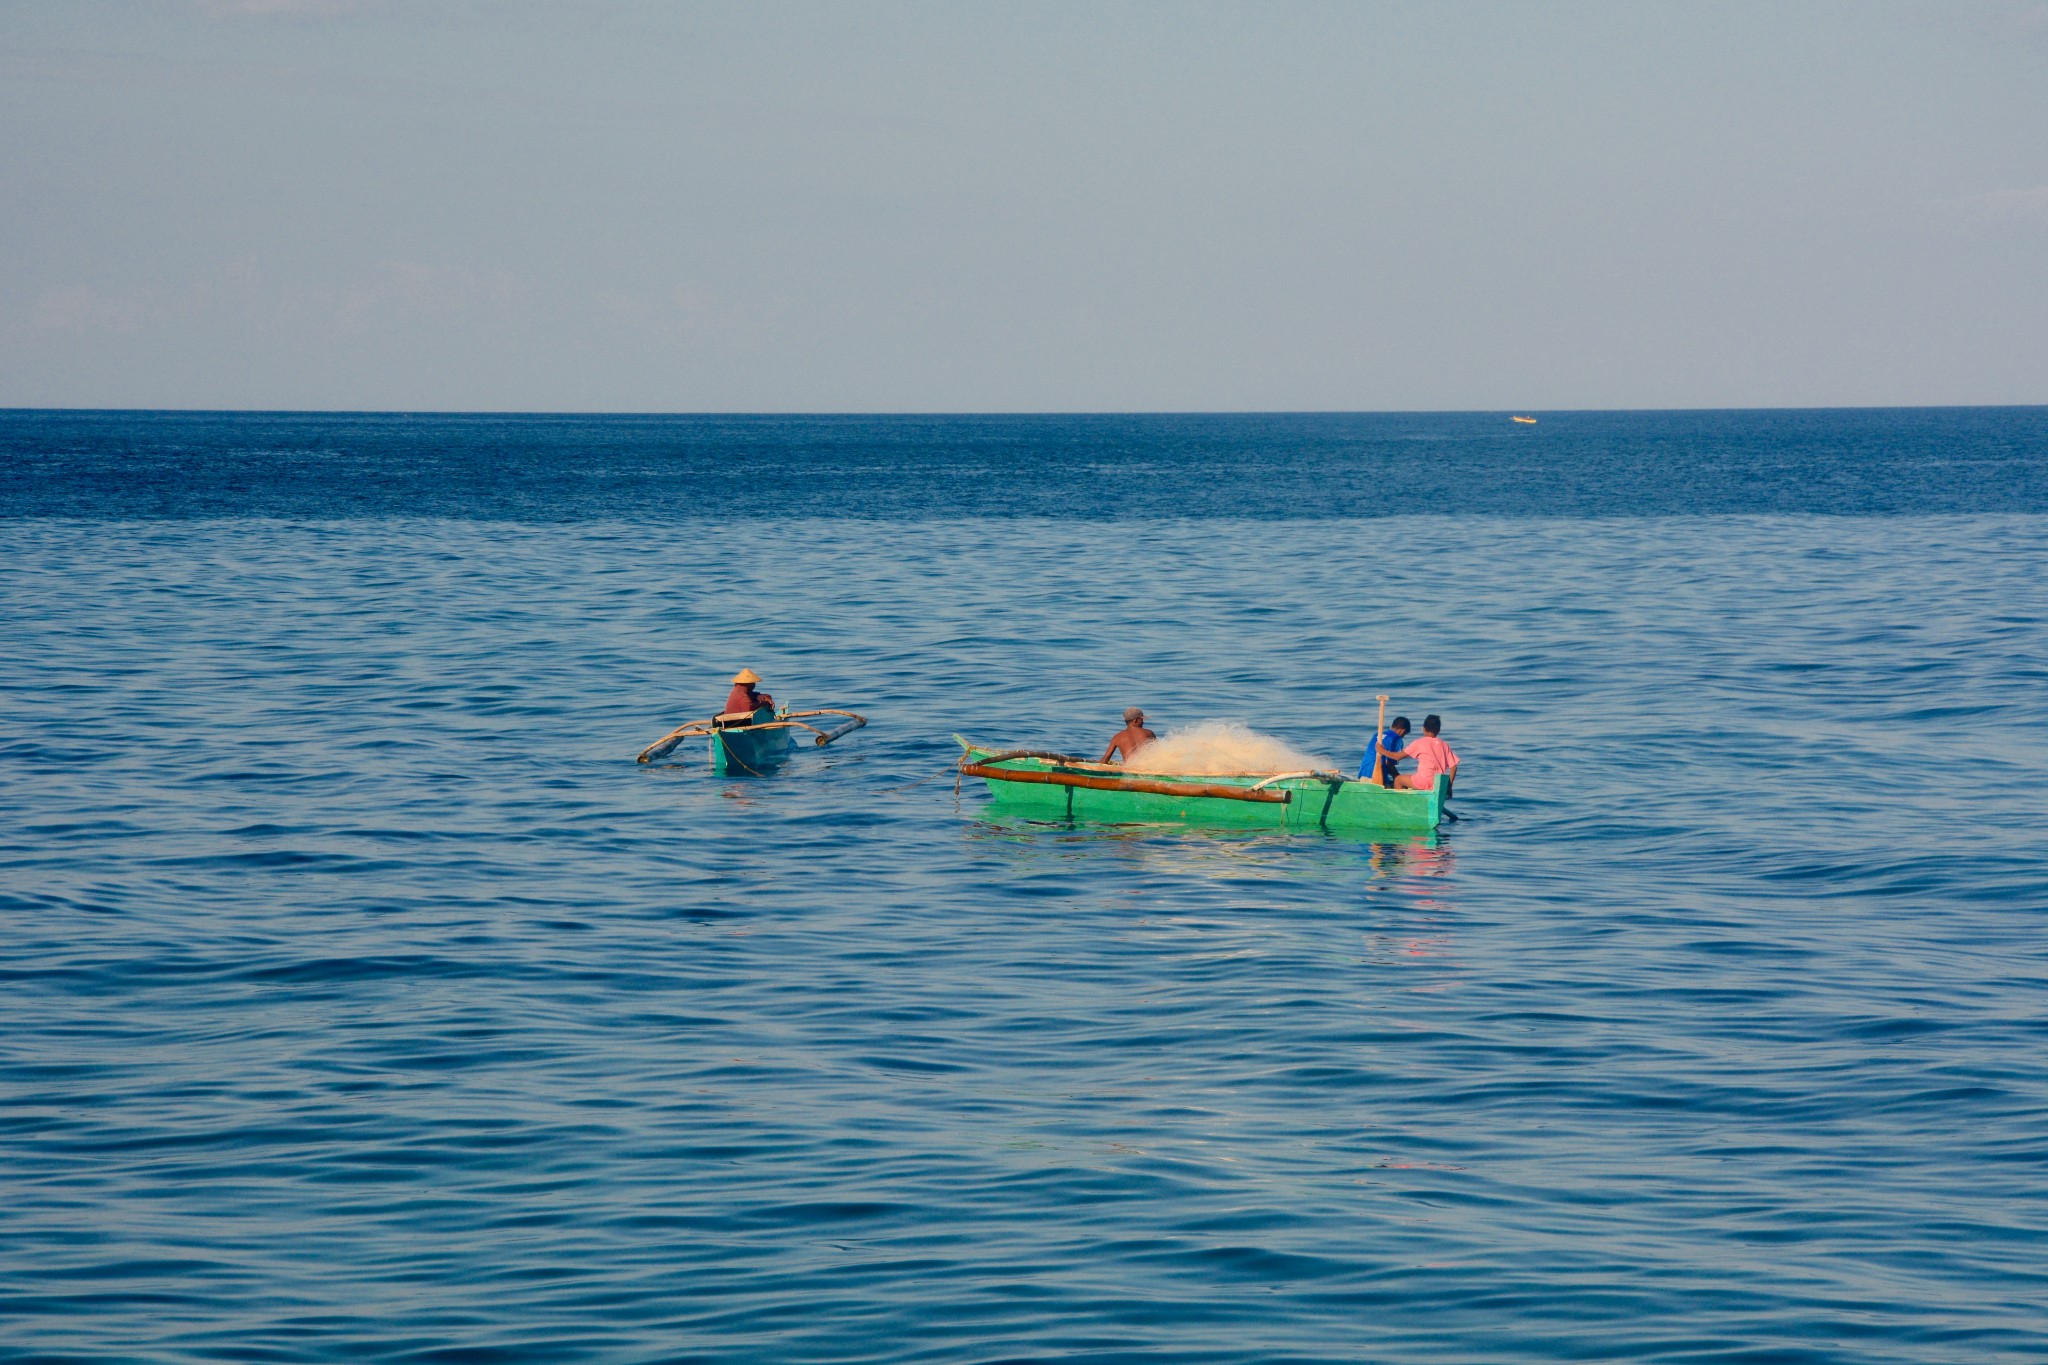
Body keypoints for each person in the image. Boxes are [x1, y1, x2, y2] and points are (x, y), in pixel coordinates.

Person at [1394, 714, 1458, 792]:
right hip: (1438, 783)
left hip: (1423, 781)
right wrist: (1449, 786)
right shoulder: (1444, 745)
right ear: (1438, 730)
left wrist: (1383, 751)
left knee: (1398, 780)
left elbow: (1397, 757)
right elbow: (1453, 767)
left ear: (1423, 728)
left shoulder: (1419, 742)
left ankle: (1401, 803)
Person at [1359, 715, 1410, 787]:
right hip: (1376, 776)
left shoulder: (1377, 734)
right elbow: (1389, 764)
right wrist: (1399, 778)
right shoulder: (1396, 739)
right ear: (1402, 731)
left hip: (1364, 773)